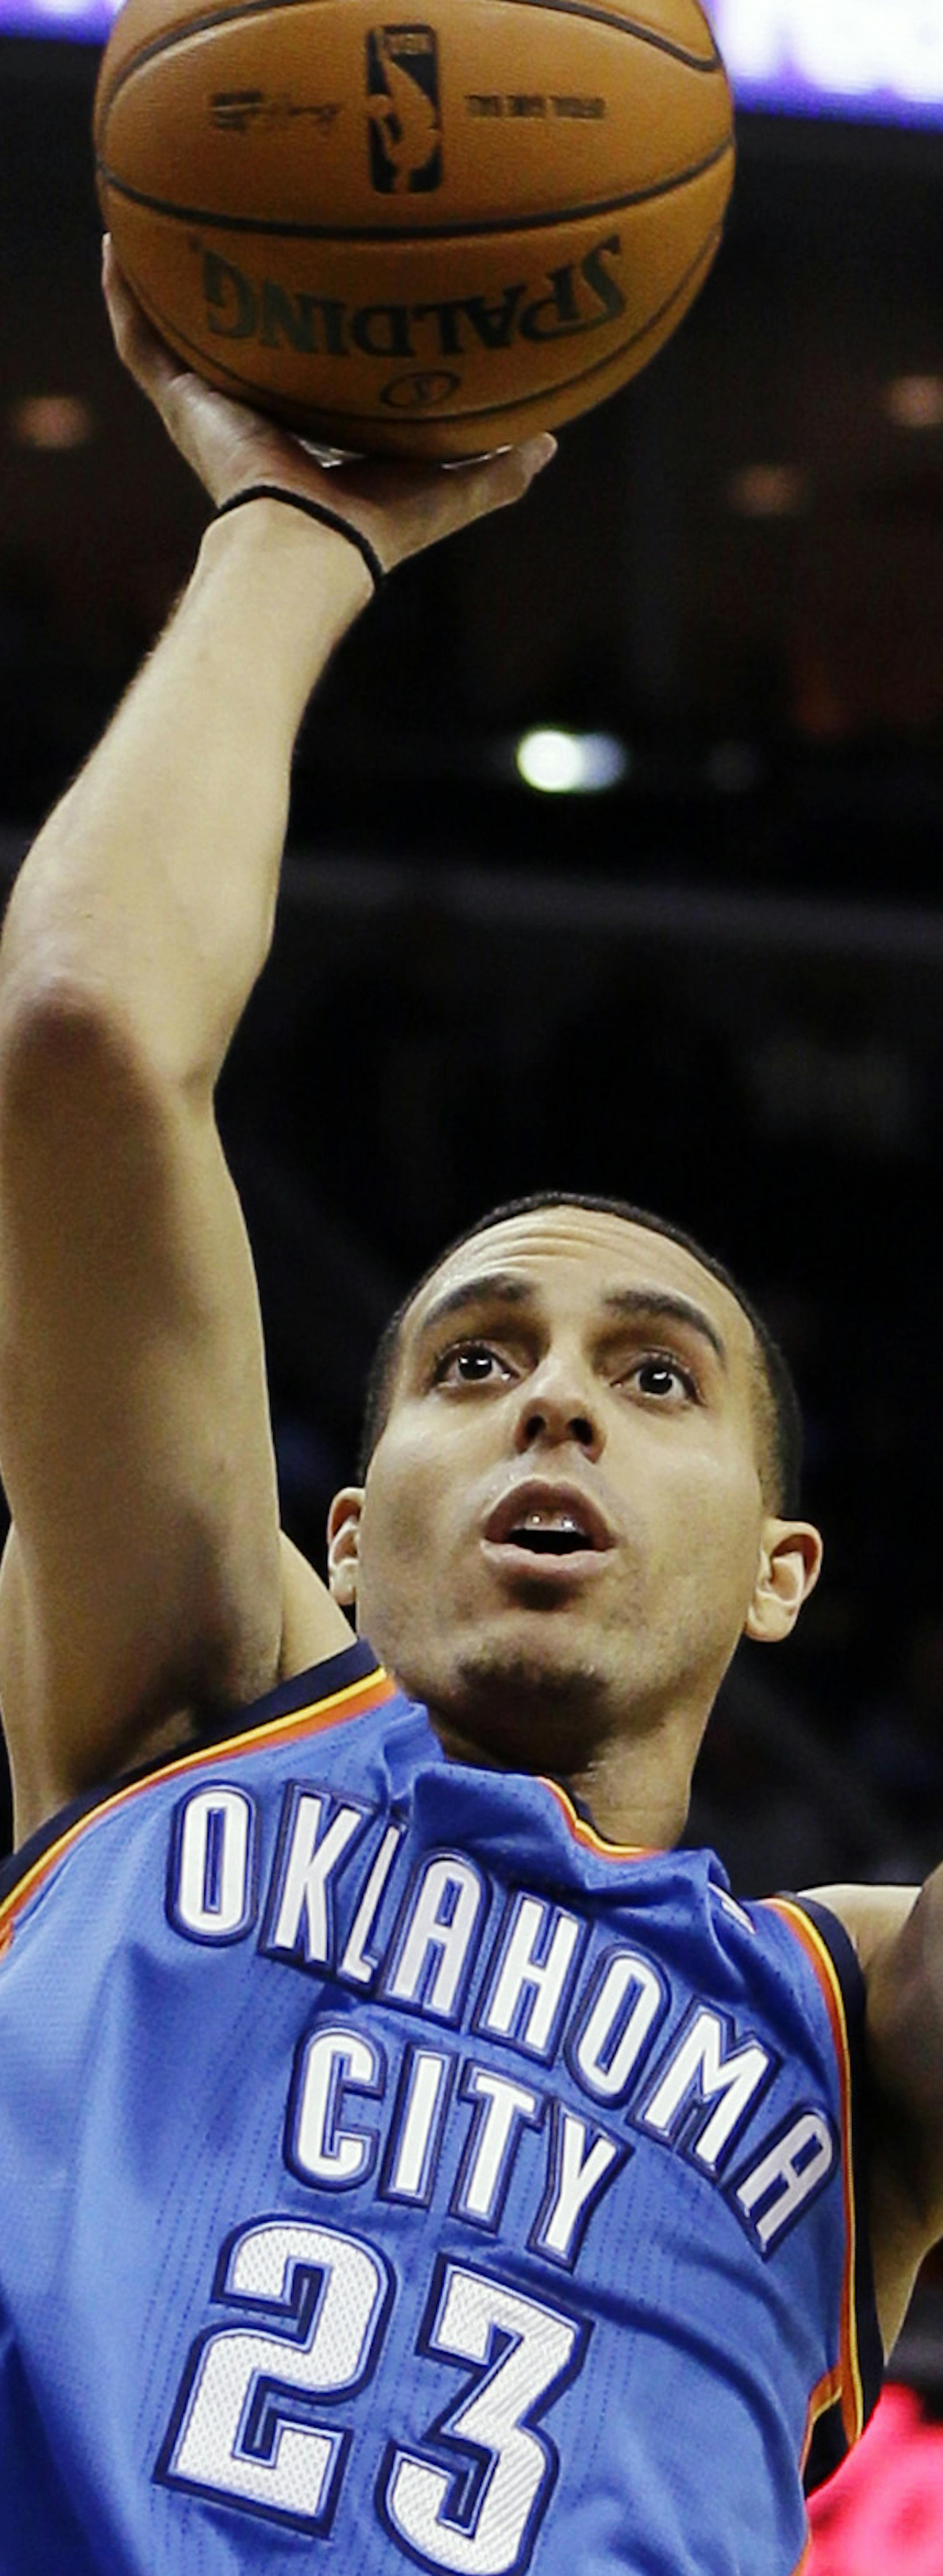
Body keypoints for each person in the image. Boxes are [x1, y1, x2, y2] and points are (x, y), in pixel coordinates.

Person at [0, 242, 936, 2576]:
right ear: (347, 1518)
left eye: (655, 1379)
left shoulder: (851, 2032)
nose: (557, 1416)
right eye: (474, 1363)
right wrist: (294, 525)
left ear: (783, 1567)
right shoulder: (186, 1711)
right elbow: (91, 1038)